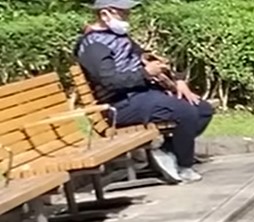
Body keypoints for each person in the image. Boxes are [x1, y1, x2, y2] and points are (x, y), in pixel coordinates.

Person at [74, 0, 215, 185]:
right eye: (123, 13)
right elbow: (108, 81)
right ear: (104, 14)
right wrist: (145, 74)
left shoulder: (118, 36)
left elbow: (150, 59)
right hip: (119, 105)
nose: (127, 17)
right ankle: (184, 166)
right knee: (185, 112)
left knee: (202, 109)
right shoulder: (93, 45)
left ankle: (168, 151)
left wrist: (178, 81)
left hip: (142, 95)